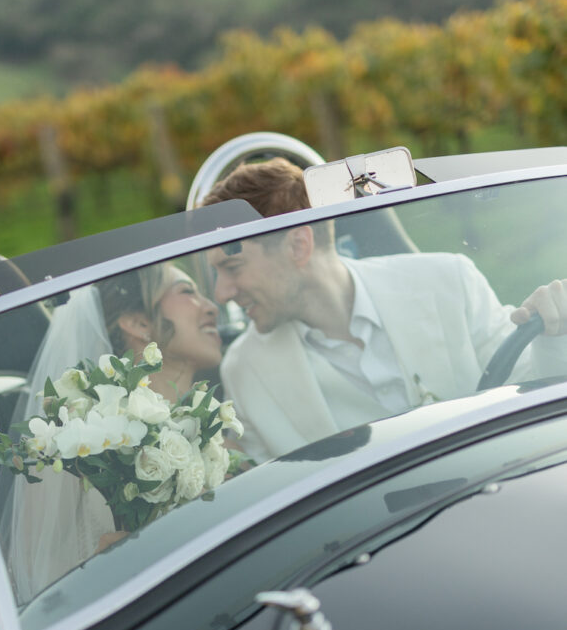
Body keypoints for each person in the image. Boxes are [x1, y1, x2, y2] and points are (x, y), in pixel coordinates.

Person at [201, 159, 567, 462]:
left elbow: (534, 396)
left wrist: (554, 336)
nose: (221, 292)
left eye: (232, 268)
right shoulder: (243, 371)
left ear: (298, 245)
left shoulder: (449, 281)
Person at [0, 261, 223, 602]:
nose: (211, 306)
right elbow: (33, 578)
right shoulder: (77, 435)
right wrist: (102, 573)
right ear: (137, 323)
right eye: (187, 292)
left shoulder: (214, 431)